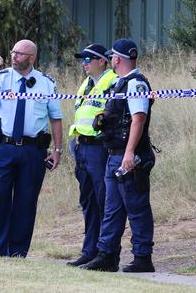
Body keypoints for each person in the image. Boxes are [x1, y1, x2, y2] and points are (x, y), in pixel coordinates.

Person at [0, 39, 63, 257]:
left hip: (32, 150)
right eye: (13, 52)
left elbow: (55, 118)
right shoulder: (2, 77)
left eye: (20, 53)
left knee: (26, 203)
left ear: (32, 58)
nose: (14, 56)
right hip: (2, 147)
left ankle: (17, 253)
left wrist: (57, 150)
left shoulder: (46, 83)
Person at [80, 38, 156, 273]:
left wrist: (130, 153)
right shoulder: (120, 84)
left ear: (117, 59)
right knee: (112, 208)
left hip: (129, 156)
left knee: (136, 206)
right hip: (114, 154)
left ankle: (143, 257)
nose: (111, 59)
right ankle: (107, 255)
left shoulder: (135, 84)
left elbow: (138, 119)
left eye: (113, 56)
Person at [66, 44, 118, 267]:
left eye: (88, 59)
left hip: (100, 148)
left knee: (103, 200)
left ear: (102, 62)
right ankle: (90, 251)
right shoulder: (86, 84)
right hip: (82, 147)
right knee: (88, 201)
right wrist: (73, 140)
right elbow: (81, 115)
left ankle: (108, 254)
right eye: (82, 59)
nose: (84, 63)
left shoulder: (113, 81)